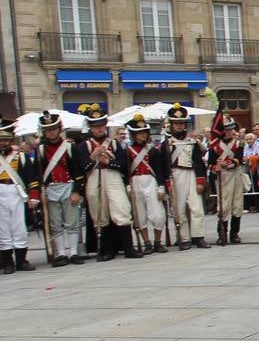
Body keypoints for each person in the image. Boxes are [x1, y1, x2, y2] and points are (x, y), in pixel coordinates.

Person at [79, 104, 140, 260]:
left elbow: (123, 165)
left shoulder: (113, 144)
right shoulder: (85, 146)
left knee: (121, 209)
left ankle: (128, 248)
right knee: (100, 212)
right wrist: (93, 156)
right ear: (91, 128)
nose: (99, 129)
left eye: (101, 125)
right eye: (95, 126)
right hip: (94, 177)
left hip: (113, 177)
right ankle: (107, 250)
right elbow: (82, 167)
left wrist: (109, 162)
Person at [34, 110, 85, 266]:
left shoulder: (69, 147)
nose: (51, 132)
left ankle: (74, 253)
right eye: (48, 130)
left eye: (53, 129)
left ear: (59, 129)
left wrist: (76, 191)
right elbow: (38, 175)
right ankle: (61, 254)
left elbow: (78, 172)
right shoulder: (40, 150)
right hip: (51, 190)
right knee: (55, 224)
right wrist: (40, 193)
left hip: (68, 187)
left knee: (72, 222)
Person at [157, 105, 209, 250]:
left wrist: (200, 181)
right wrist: (167, 183)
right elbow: (163, 166)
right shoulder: (165, 144)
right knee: (179, 209)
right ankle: (184, 238)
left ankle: (198, 236)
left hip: (191, 174)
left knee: (196, 207)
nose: (179, 126)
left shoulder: (192, 142)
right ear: (172, 124)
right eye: (176, 123)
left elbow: (199, 163)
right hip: (175, 176)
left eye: (181, 123)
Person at [125, 115, 169, 252]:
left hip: (151, 182)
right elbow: (126, 170)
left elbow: (159, 169)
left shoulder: (152, 150)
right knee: (140, 214)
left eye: (144, 132)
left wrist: (161, 186)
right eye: (140, 133)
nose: (143, 135)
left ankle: (157, 242)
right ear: (133, 134)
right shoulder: (127, 151)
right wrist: (127, 185)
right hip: (135, 182)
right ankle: (147, 243)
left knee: (158, 214)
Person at [0, 119, 38, 273]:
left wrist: (33, 197)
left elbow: (31, 178)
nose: (2, 143)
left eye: (5, 140)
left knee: (19, 228)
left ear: (11, 140)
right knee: (3, 229)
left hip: (17, 193)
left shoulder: (21, 157)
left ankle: (22, 261)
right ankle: (7, 263)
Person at [210, 116, 247, 245]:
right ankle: (222, 233)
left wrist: (228, 163)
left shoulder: (238, 143)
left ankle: (234, 233)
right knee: (223, 206)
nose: (231, 131)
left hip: (235, 174)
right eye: (227, 129)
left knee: (237, 205)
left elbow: (239, 159)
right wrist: (216, 167)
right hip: (222, 177)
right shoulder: (214, 145)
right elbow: (210, 163)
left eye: (231, 129)